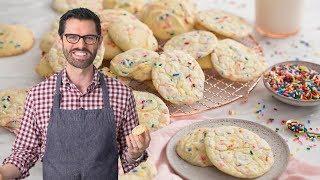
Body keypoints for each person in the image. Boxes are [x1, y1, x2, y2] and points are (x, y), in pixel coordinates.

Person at [0, 8, 150, 180]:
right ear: (60, 40)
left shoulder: (121, 94)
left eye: (89, 38)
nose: (81, 45)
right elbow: (24, 153)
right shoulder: (39, 94)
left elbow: (129, 159)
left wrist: (136, 152)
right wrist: (4, 173)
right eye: (72, 37)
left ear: (99, 41)